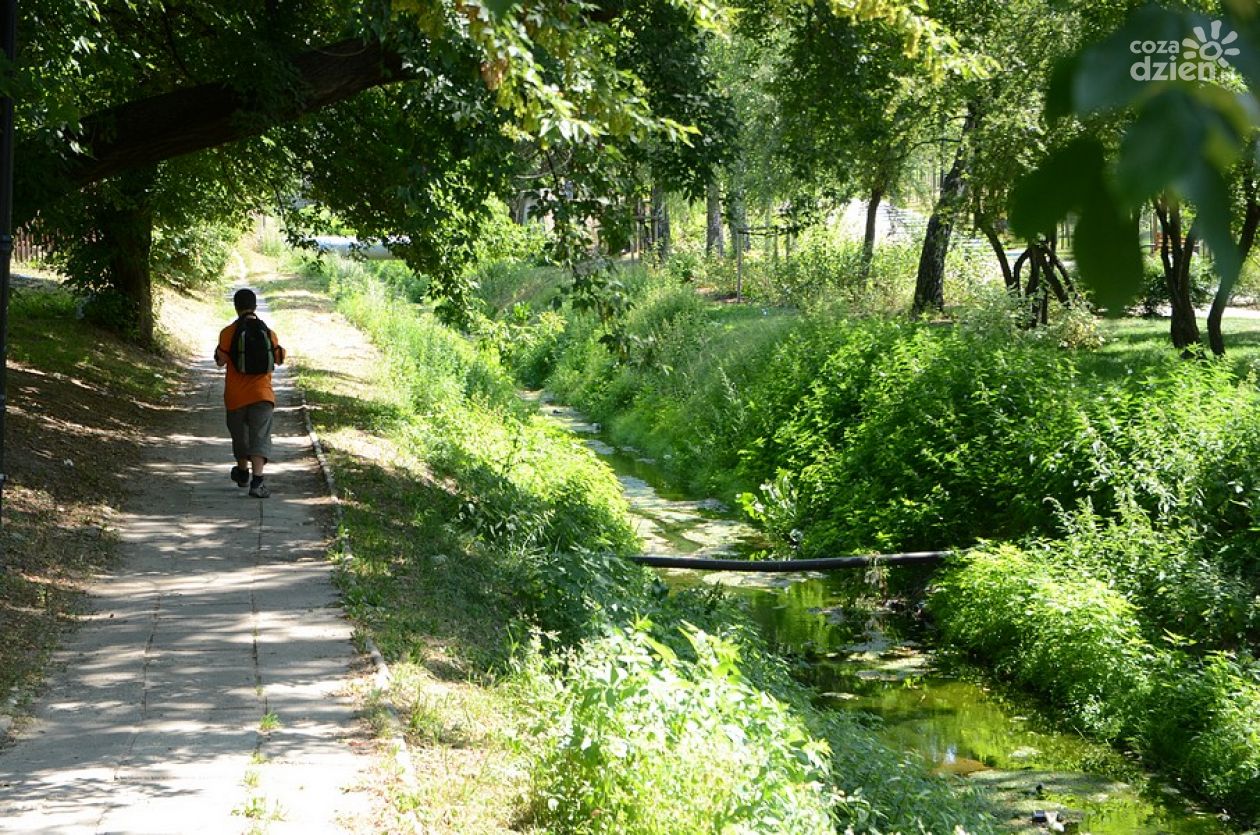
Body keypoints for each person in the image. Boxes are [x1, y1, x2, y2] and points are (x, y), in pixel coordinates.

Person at [214, 288, 287, 498]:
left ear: (235, 307)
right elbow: (279, 359)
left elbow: (221, 362)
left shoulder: (228, 332)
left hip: (235, 396)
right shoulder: (268, 333)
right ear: (254, 306)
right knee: (260, 436)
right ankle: (257, 482)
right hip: (262, 395)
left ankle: (242, 473)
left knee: (240, 436)